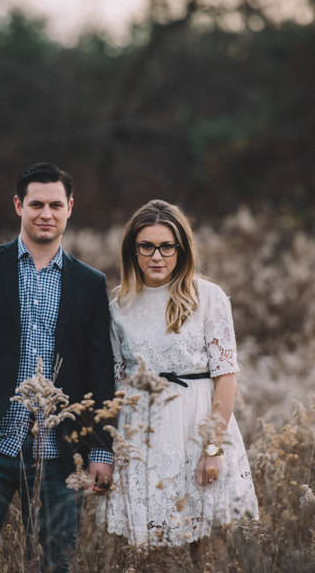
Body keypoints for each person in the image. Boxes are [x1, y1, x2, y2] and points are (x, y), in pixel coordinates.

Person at [0, 163, 115, 573]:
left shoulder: (89, 284)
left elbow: (100, 371)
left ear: (70, 208)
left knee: (56, 564)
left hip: (59, 451)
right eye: (36, 204)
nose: (45, 213)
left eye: (55, 204)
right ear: (19, 205)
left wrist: (101, 448)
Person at [101, 199, 258, 550]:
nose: (157, 256)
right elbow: (117, 383)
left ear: (181, 249)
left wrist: (213, 447)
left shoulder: (208, 297)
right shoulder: (119, 307)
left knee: (206, 549)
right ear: (133, 250)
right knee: (147, 548)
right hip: (143, 433)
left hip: (197, 428)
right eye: (147, 246)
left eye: (167, 246)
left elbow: (226, 377)